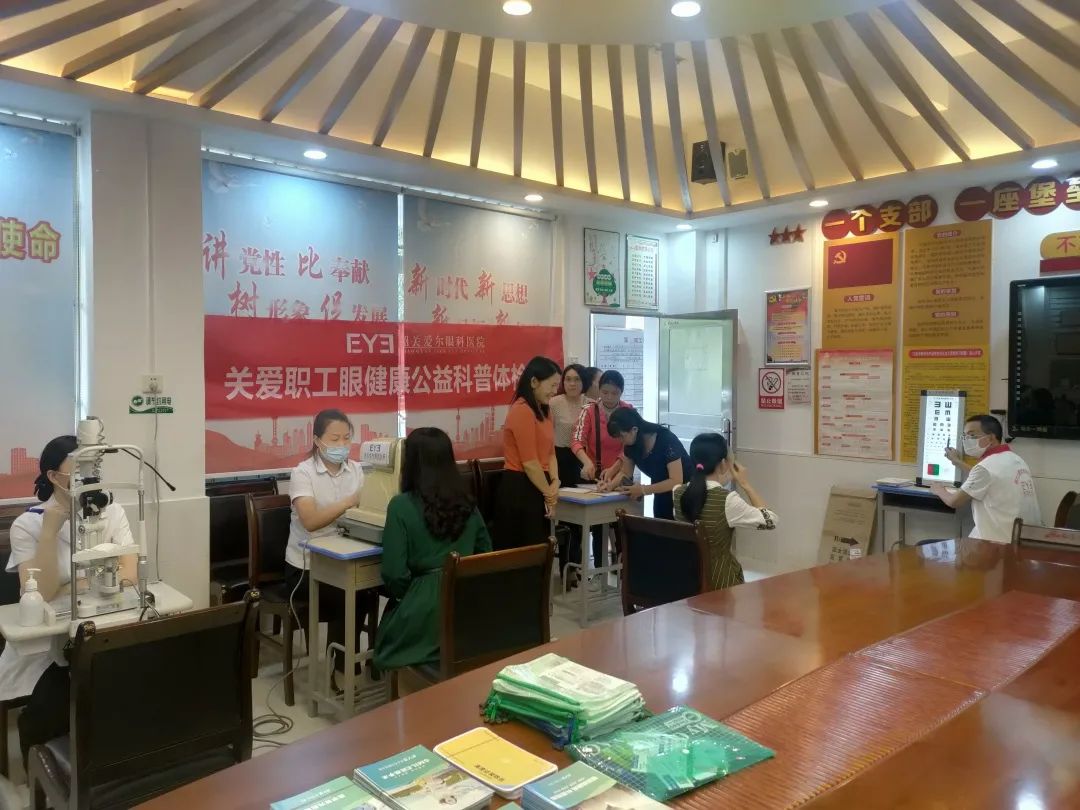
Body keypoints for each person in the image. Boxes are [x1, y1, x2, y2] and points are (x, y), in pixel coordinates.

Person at [1, 435, 137, 762]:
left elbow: (129, 575)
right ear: (53, 476)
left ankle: (120, 761)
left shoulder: (112, 512)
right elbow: (41, 592)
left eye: (93, 468)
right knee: (61, 701)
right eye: (79, 468)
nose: (88, 477)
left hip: (106, 627)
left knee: (134, 685)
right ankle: (47, 768)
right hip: (47, 646)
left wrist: (74, 583)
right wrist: (49, 532)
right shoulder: (28, 525)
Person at [373, 428, 491, 671]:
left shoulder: (400, 506)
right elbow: (485, 553)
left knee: (389, 638)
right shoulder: (468, 503)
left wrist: (414, 595)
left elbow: (394, 573)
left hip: (424, 612)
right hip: (467, 608)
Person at [285, 409, 372, 683]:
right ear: (317, 440)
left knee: (369, 589)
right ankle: (342, 670)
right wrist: (348, 502)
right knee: (347, 596)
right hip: (306, 567)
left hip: (346, 559)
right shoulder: (303, 473)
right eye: (334, 439)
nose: (342, 445)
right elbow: (310, 521)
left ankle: (366, 662)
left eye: (347, 438)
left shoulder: (356, 470)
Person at [674, 433, 778, 590]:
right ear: (723, 464)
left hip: (687, 579)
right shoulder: (728, 500)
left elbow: (704, 490)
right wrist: (745, 483)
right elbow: (770, 520)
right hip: (720, 582)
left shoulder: (677, 492)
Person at [932, 414, 1042, 542]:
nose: (967, 440)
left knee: (925, 545)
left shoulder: (985, 468)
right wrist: (957, 462)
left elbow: (954, 502)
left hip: (997, 544)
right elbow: (988, 477)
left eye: (972, 435)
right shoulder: (1015, 459)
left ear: (990, 438)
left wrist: (939, 490)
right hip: (1022, 540)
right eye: (965, 436)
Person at [494, 356, 562, 549]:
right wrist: (549, 494)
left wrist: (555, 481)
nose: (555, 391)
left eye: (557, 386)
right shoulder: (522, 410)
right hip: (520, 487)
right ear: (534, 382)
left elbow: (550, 453)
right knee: (525, 550)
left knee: (541, 548)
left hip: (541, 484)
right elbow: (530, 463)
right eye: (552, 385)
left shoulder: (546, 411)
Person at [603, 408, 693, 520]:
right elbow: (625, 473)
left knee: (679, 527)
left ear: (634, 430)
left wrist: (643, 490)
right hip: (661, 490)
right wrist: (609, 486)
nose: (620, 441)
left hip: (685, 492)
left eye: (621, 436)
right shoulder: (630, 445)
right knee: (661, 526)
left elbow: (676, 480)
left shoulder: (666, 439)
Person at [571, 370, 633, 484]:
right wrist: (587, 462)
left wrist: (614, 469)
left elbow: (632, 446)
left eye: (615, 393)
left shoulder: (629, 411)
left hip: (622, 474)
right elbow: (576, 441)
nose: (609, 397)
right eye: (605, 392)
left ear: (622, 392)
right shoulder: (588, 411)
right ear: (599, 390)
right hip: (595, 475)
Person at [549, 364, 591, 488]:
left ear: (584, 381)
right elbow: (547, 434)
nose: (572, 384)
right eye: (568, 379)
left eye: (577, 379)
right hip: (560, 457)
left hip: (584, 457)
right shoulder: (553, 403)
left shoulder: (591, 404)